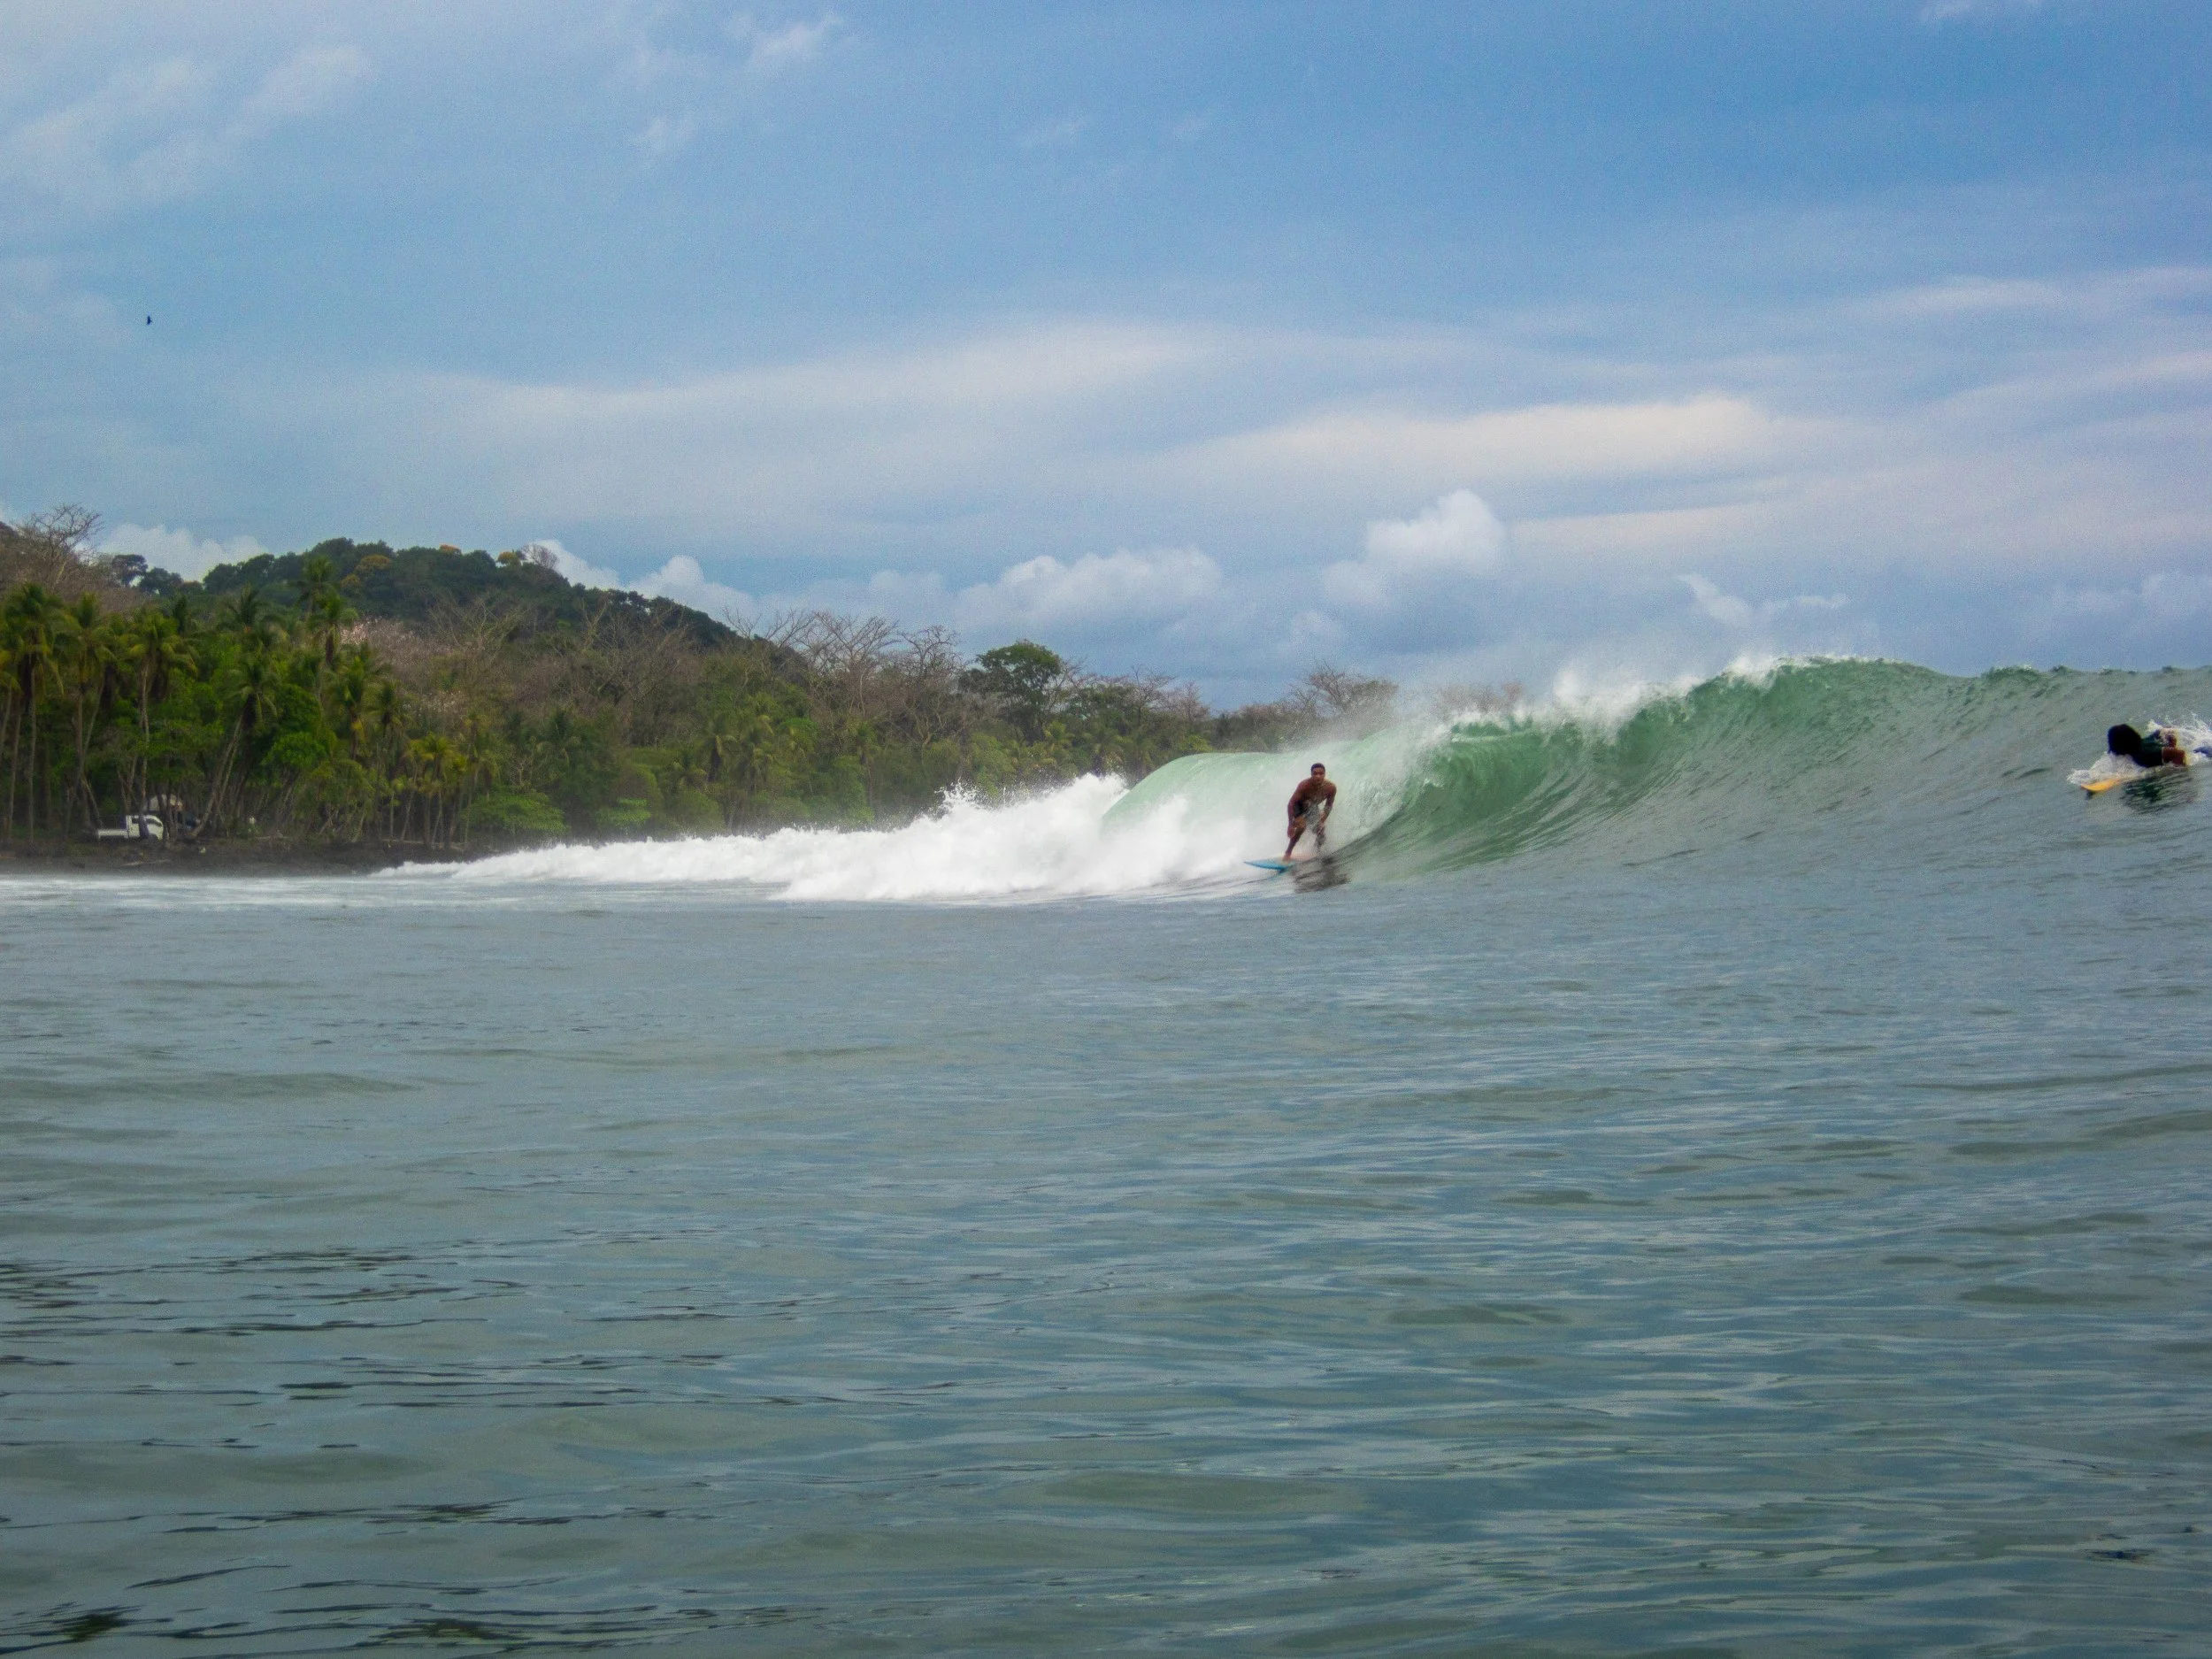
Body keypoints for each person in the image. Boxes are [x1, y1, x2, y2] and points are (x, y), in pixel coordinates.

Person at [1286, 763, 1337, 857]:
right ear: (1311, 775)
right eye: (1315, 773)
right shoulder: (1304, 786)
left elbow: (1329, 805)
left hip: (1312, 807)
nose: (1318, 776)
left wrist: (1322, 820)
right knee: (1301, 827)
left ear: (1325, 774)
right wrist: (1289, 825)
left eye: (1321, 773)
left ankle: (1316, 852)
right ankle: (1288, 853)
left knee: (1321, 833)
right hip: (1298, 806)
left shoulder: (1331, 788)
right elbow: (1290, 804)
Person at [2108, 724, 2190, 770]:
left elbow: (2179, 754)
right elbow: (2167, 729)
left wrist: (2179, 774)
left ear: (2122, 745)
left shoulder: (2143, 754)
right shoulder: (2141, 743)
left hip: (2200, 753)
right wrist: (2170, 747)